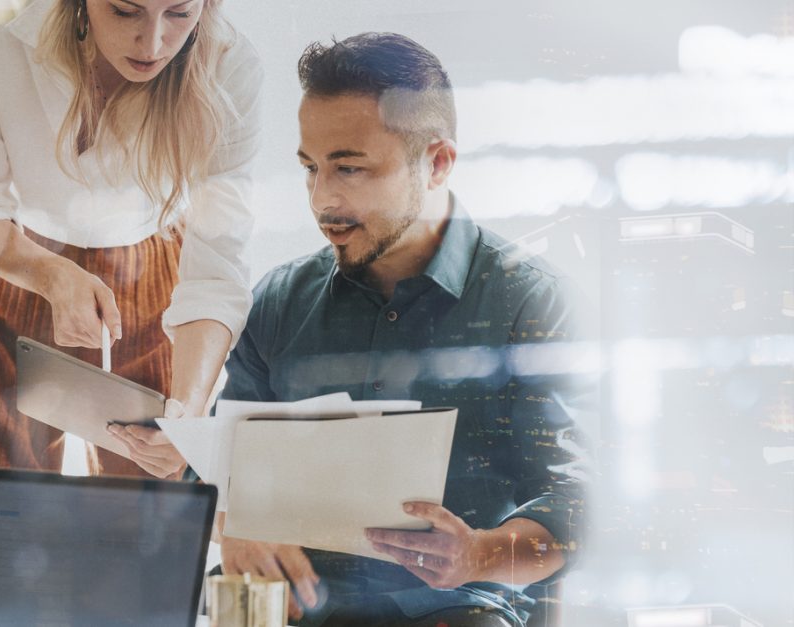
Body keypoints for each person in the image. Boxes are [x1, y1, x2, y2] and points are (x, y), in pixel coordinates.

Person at [216, 33, 592, 627]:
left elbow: (576, 505)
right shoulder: (278, 300)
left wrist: (475, 554)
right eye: (311, 169)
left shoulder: (529, 301)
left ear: (437, 162)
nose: (323, 200)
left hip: (454, 607)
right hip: (289, 607)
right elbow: (214, 465)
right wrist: (234, 525)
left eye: (350, 168)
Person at [0, 0, 261, 580]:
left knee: (147, 546)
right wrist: (52, 275)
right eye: (125, 11)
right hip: (7, 264)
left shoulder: (231, 65)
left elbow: (216, 271)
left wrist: (188, 414)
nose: (153, 43)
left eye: (180, 14)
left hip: (156, 282)